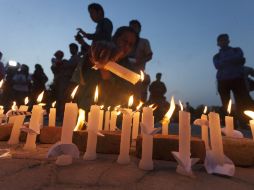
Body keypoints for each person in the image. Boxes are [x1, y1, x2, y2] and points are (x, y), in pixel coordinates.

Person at [72, 26, 138, 111]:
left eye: (131, 44)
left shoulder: (130, 71)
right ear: (115, 39)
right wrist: (93, 56)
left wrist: (106, 72)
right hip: (83, 111)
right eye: (124, 41)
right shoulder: (99, 53)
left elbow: (125, 97)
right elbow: (78, 77)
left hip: (110, 118)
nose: (126, 46)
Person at [213, 33, 254, 127]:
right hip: (223, 82)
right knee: (226, 104)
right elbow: (217, 65)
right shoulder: (216, 56)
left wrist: (226, 62)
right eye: (221, 40)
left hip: (238, 80)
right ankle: (231, 125)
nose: (224, 42)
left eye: (225, 39)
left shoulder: (237, 50)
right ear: (218, 43)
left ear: (228, 41)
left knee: (244, 101)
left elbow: (241, 59)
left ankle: (247, 123)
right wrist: (234, 61)